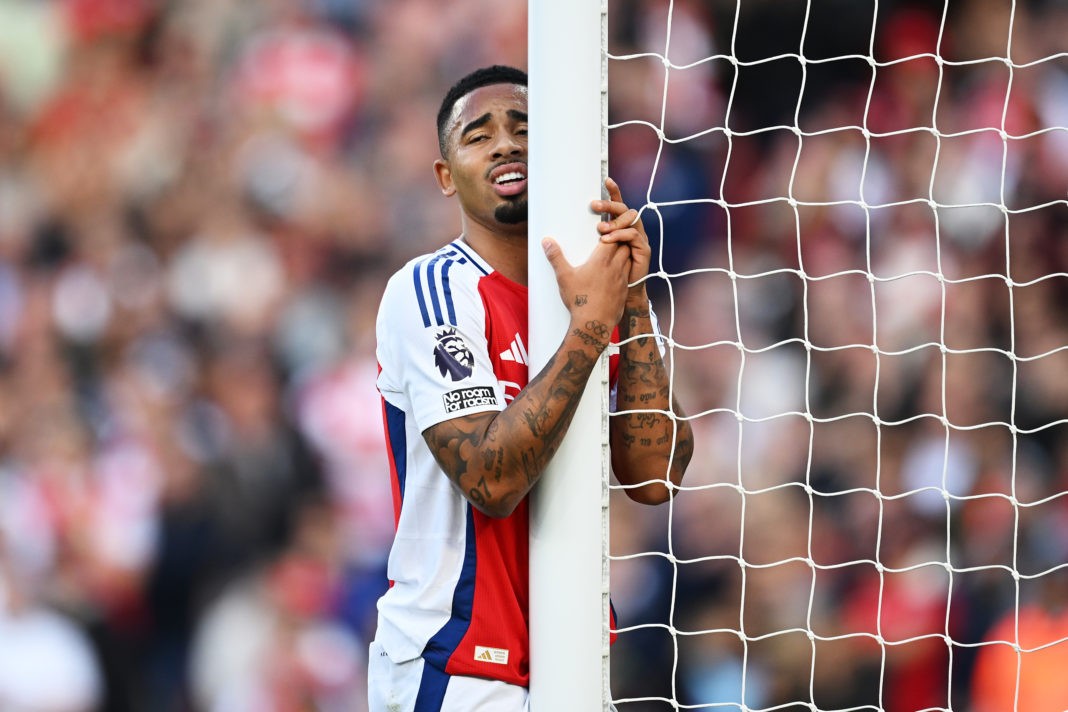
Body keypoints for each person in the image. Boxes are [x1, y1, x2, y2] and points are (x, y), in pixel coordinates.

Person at [369, 64, 693, 711]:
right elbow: (490, 478)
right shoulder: (433, 291)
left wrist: (629, 299)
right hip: (456, 661)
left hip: (573, 661)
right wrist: (591, 325)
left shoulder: (599, 289)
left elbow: (655, 476)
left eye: (523, 129)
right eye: (478, 135)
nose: (506, 145)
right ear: (445, 175)